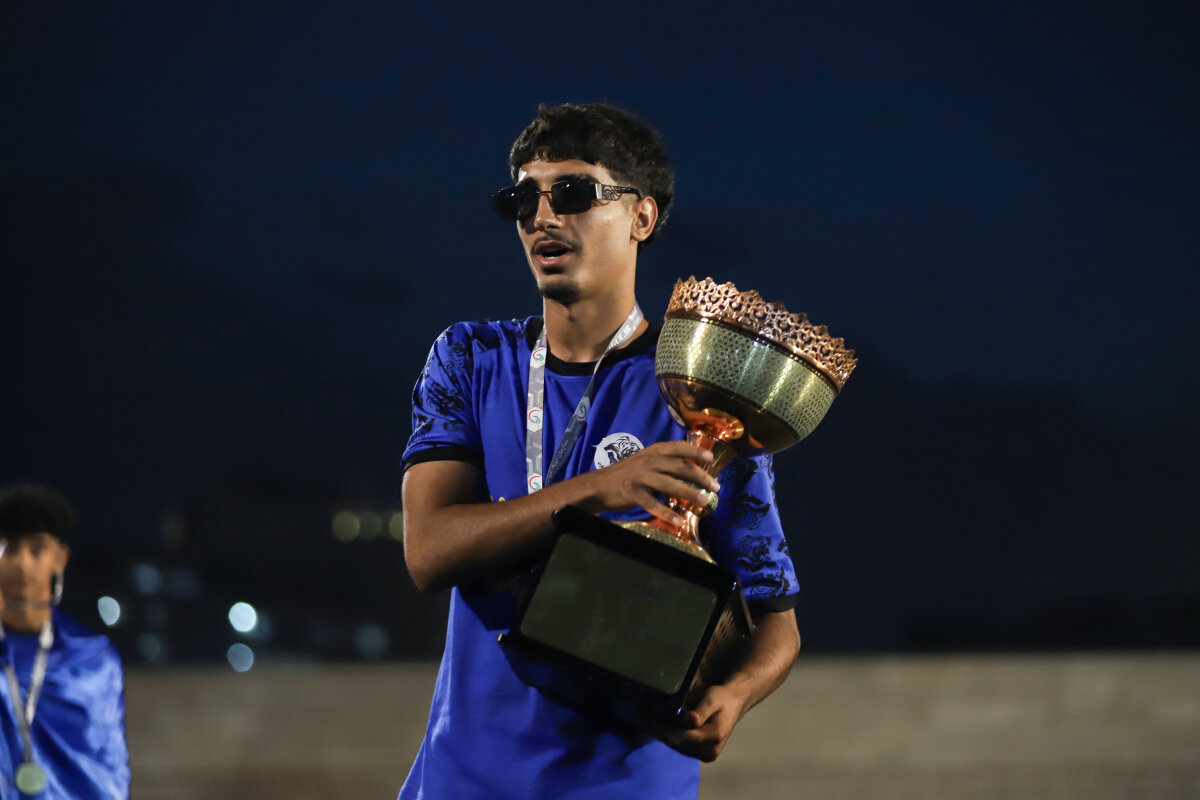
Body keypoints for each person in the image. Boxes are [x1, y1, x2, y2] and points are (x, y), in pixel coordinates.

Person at [399, 103, 801, 799]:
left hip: (627, 785)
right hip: (465, 781)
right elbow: (428, 552)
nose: (542, 216)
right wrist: (599, 488)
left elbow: (777, 620)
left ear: (641, 217)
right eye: (524, 198)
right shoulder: (470, 358)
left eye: (573, 193)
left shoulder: (701, 392)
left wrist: (732, 696)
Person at [0, 484, 130, 799]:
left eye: (37, 549)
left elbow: (107, 771)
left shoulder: (92, 659)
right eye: (9, 548)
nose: (22, 563)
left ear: (60, 558)